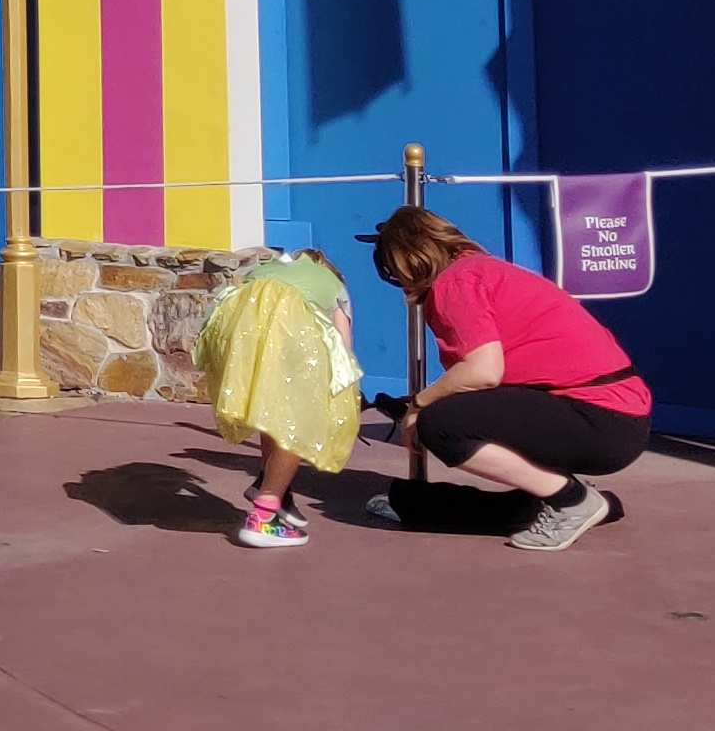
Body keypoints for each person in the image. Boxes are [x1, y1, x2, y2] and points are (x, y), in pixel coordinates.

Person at [365, 205, 652, 553]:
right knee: (458, 415)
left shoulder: (455, 282)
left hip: (599, 417)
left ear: (407, 258)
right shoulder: (482, 272)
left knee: (440, 424)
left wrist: (420, 404)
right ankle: (568, 498)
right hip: (616, 414)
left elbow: (484, 372)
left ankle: (572, 501)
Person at [197, 246, 362, 549]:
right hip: (292, 337)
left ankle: (270, 484)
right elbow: (342, 341)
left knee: (270, 410)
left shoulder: (264, 272)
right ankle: (263, 515)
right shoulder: (333, 284)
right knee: (298, 425)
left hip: (238, 336)